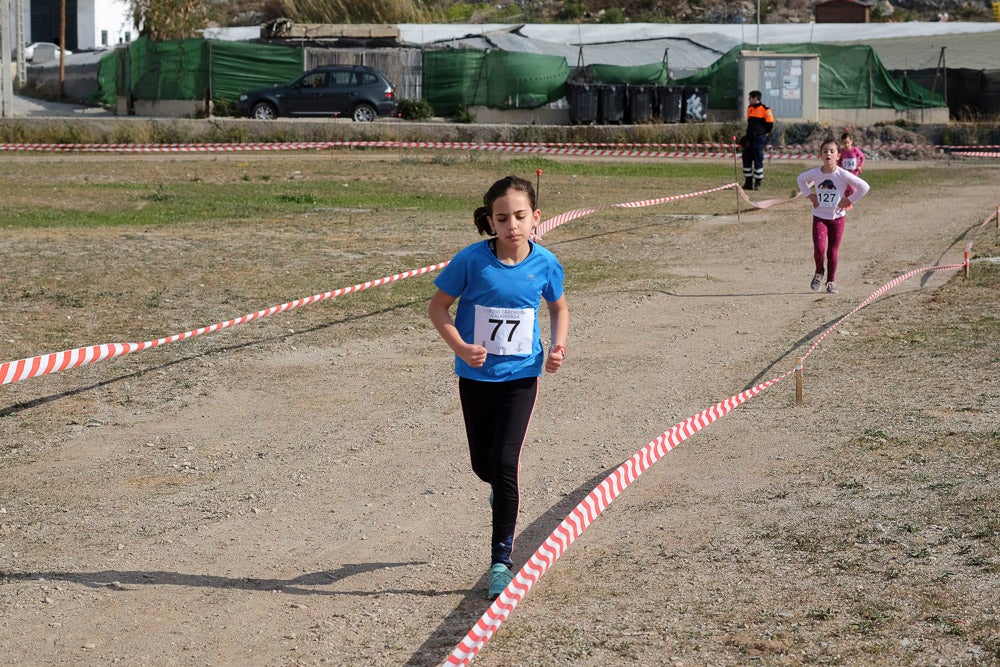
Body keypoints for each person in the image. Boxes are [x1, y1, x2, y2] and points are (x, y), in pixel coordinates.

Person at [428, 175, 570, 601]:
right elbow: (437, 308)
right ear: (490, 221)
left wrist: (558, 347)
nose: (512, 225)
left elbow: (559, 307)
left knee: (506, 465)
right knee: (483, 465)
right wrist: (461, 346)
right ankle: (497, 490)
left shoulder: (545, 263)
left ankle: (500, 563)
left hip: (522, 376)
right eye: (503, 217)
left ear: (535, 219)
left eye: (520, 216)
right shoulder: (471, 261)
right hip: (475, 378)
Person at [797, 137, 871, 294]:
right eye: (825, 151)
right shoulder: (815, 173)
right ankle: (819, 272)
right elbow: (800, 179)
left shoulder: (843, 175)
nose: (828, 154)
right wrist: (809, 195)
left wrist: (848, 200)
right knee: (819, 248)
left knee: (832, 251)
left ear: (838, 156)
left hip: (837, 218)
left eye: (832, 151)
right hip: (819, 217)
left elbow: (864, 187)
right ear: (821, 155)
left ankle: (831, 281)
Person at [742, 90, 774, 191]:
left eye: (750, 98)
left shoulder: (765, 110)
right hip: (749, 137)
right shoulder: (749, 108)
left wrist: (763, 133)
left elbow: (770, 125)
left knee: (758, 160)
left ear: (756, 98)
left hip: (758, 138)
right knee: (746, 159)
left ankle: (758, 183)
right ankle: (748, 183)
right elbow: (749, 123)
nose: (749, 100)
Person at [837, 130, 866, 208]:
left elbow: (862, 157)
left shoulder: (855, 149)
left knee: (852, 188)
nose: (846, 144)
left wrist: (860, 166)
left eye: (848, 142)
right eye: (844, 143)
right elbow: (839, 161)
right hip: (845, 173)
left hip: (854, 172)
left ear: (851, 141)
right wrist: (839, 169)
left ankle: (851, 201)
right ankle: (848, 203)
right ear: (842, 143)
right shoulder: (842, 151)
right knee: (846, 189)